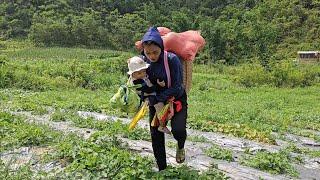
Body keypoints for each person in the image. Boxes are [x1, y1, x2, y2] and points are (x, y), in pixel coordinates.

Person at [140, 27, 188, 171]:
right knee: (156, 135)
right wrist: (143, 96)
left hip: (175, 99)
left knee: (178, 130)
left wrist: (159, 97)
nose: (152, 56)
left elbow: (178, 86)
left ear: (161, 47)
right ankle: (162, 169)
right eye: (148, 53)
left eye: (155, 52)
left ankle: (180, 146)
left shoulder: (171, 60)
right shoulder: (141, 61)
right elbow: (138, 83)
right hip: (156, 103)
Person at [127, 56, 171, 134]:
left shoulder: (141, 77)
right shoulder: (137, 82)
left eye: (144, 71)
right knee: (159, 105)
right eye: (139, 73)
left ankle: (160, 121)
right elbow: (148, 89)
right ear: (133, 74)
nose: (143, 74)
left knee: (162, 106)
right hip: (147, 96)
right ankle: (162, 126)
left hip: (150, 94)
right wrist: (158, 85)